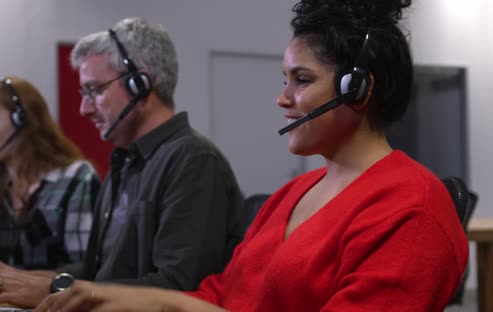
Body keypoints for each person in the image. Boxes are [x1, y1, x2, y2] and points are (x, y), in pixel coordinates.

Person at [35, 0, 469, 310]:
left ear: (356, 90)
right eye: (285, 78)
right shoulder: (290, 196)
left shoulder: (412, 211)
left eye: (301, 79)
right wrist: (95, 296)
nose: (283, 98)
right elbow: (219, 294)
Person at [1, 17, 244, 309]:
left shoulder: (194, 162)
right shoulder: (125, 164)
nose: (84, 108)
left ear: (140, 84)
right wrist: (26, 280)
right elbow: (97, 273)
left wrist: (57, 287)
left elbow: (178, 288)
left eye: (95, 90)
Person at [0, 76, 99, 288]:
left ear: (21, 119)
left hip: (56, 303)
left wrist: (22, 280)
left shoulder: (75, 178)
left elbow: (88, 267)